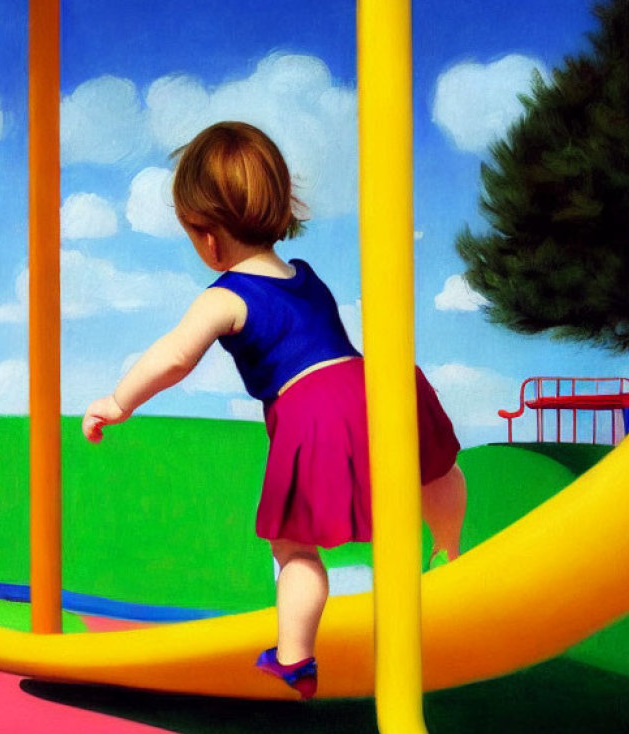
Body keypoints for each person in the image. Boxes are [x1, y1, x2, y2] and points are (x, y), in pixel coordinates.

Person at [82, 121, 467, 700]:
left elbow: (176, 357)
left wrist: (119, 400)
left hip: (311, 408)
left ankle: (295, 658)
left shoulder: (226, 296)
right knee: (434, 467)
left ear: (206, 236)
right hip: (376, 380)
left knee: (294, 548)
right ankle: (449, 550)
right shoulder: (305, 277)